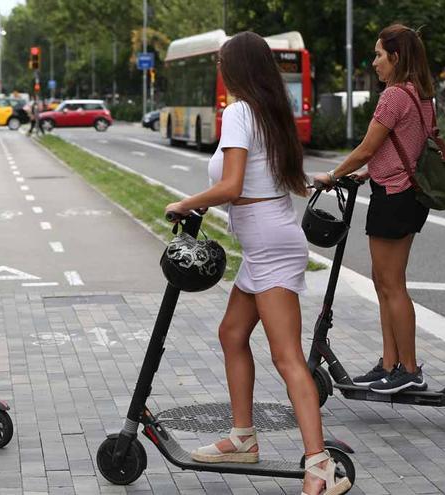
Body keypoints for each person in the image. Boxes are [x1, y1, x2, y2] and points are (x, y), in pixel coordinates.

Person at [164, 32, 349, 495]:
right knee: (231, 333)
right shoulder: (269, 110)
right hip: (266, 242)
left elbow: (230, 185)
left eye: (223, 63)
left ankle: (320, 465)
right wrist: (322, 177)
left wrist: (186, 203)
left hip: (269, 245)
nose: (220, 71)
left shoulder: (239, 112)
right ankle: (243, 436)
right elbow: (273, 177)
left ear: (236, 68)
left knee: (287, 358)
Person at [313, 24, 432, 395]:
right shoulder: (422, 95)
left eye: (379, 54)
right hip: (407, 195)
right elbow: (404, 148)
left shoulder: (394, 96)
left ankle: (408, 369)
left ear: (395, 58)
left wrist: (333, 175)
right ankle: (389, 364)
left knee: (391, 285)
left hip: (394, 197)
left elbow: (367, 147)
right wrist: (368, 172)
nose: (375, 61)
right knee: (385, 283)